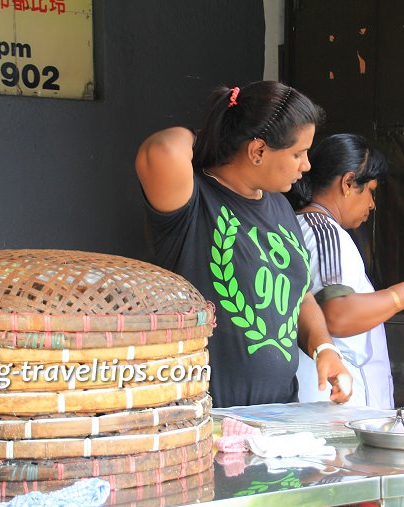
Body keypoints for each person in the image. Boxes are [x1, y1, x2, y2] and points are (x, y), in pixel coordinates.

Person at [135, 81, 352, 408]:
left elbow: (300, 294)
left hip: (279, 419)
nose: (306, 165)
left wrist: (325, 348)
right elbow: (162, 150)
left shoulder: (280, 204)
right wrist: (215, 134)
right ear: (258, 151)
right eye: (297, 153)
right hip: (208, 423)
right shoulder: (193, 203)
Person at [286, 133, 404, 409]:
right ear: (348, 183)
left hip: (334, 403)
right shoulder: (323, 232)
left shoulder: (305, 226)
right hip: (333, 406)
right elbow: (337, 314)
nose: (372, 204)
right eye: (371, 191)